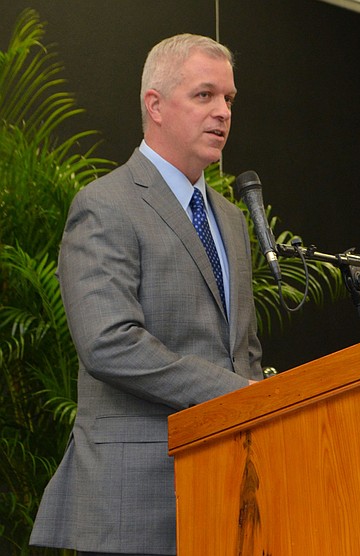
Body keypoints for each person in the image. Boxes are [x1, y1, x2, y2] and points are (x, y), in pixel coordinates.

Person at [29, 34, 262, 556]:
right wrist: (235, 392)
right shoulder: (105, 205)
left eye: (229, 98)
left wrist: (260, 399)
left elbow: (240, 350)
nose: (222, 112)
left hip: (227, 489)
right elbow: (109, 343)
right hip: (133, 499)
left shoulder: (229, 217)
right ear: (154, 105)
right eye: (205, 95)